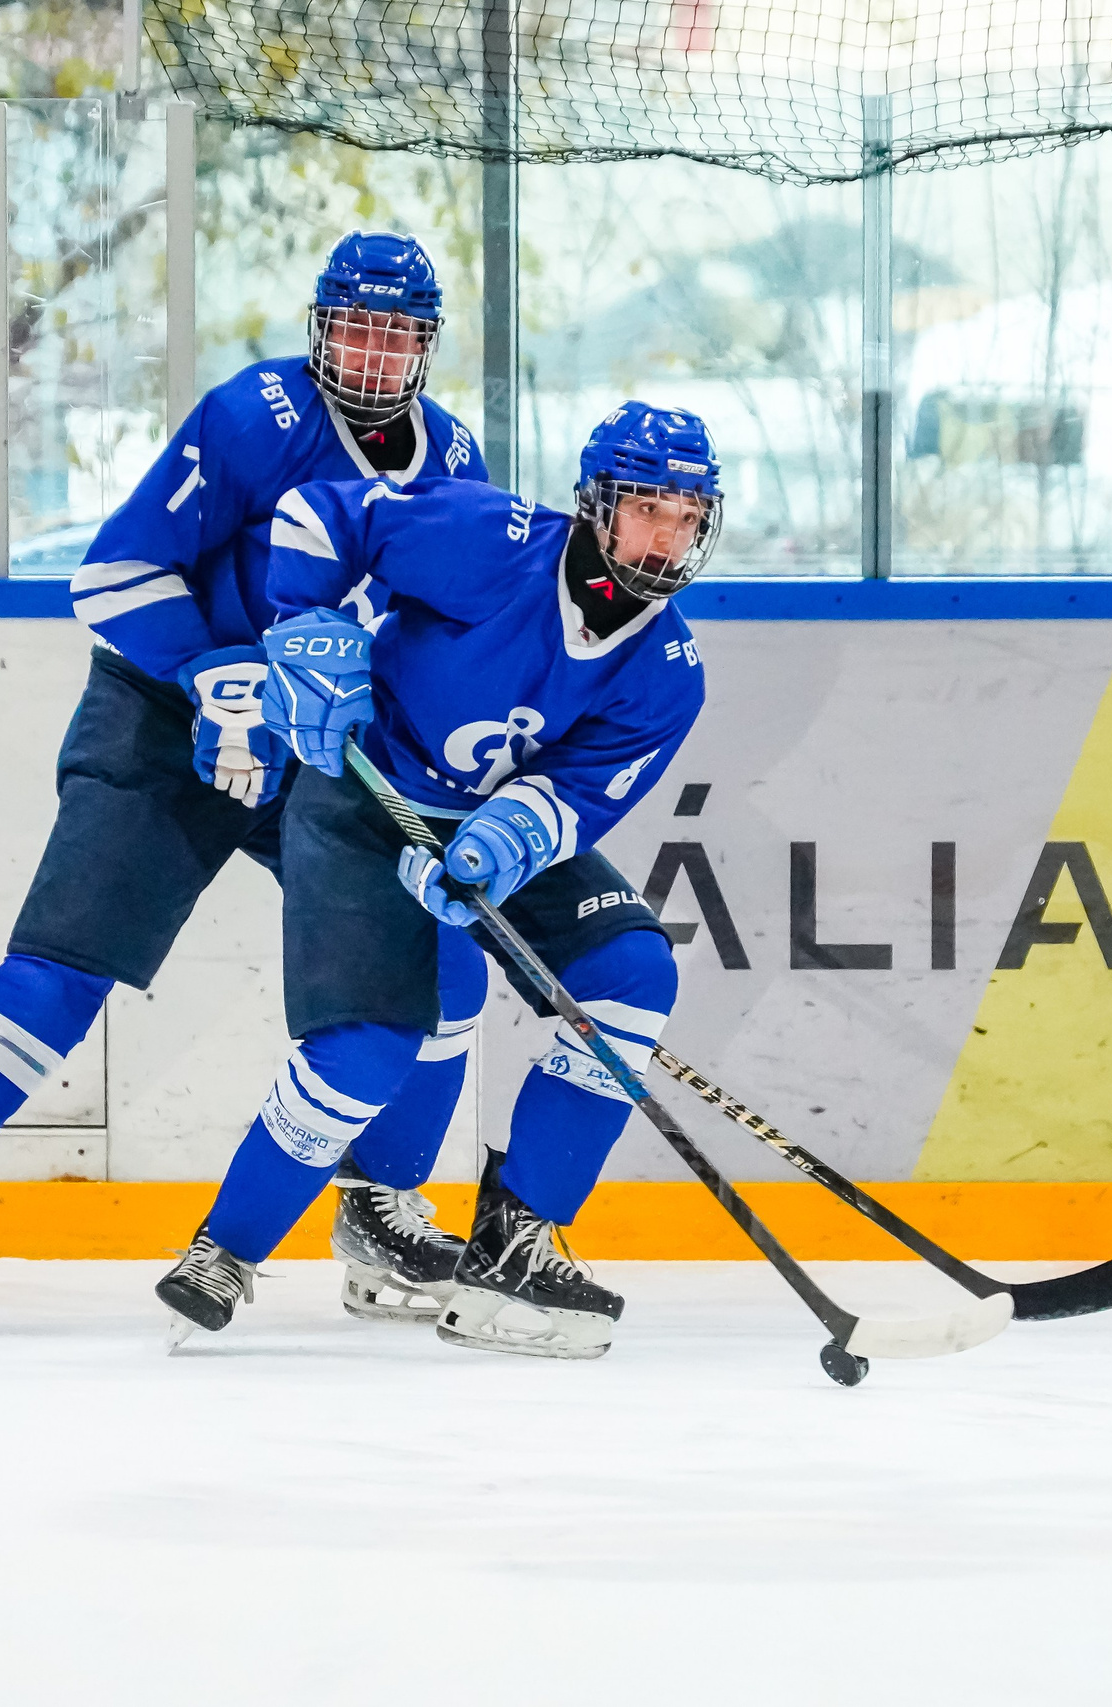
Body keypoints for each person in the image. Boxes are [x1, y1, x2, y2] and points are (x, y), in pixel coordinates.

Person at [0, 232, 493, 1335]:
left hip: (322, 750)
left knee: (445, 962)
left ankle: (380, 1210)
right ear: (321, 327)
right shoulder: (252, 417)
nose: (372, 352)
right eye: (355, 325)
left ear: (426, 346)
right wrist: (212, 672)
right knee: (59, 974)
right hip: (167, 723)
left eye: (397, 333)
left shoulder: (452, 457)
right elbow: (114, 572)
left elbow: (444, 630)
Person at [153, 402, 722, 1360]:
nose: (666, 537)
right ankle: (226, 1248)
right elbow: (317, 517)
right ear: (594, 504)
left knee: (634, 971)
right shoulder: (491, 542)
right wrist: (310, 625)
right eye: (645, 510)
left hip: (487, 821)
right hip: (363, 796)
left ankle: (515, 1240)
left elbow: (578, 793)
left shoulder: (669, 669)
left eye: (687, 516)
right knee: (370, 1047)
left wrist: (504, 843)